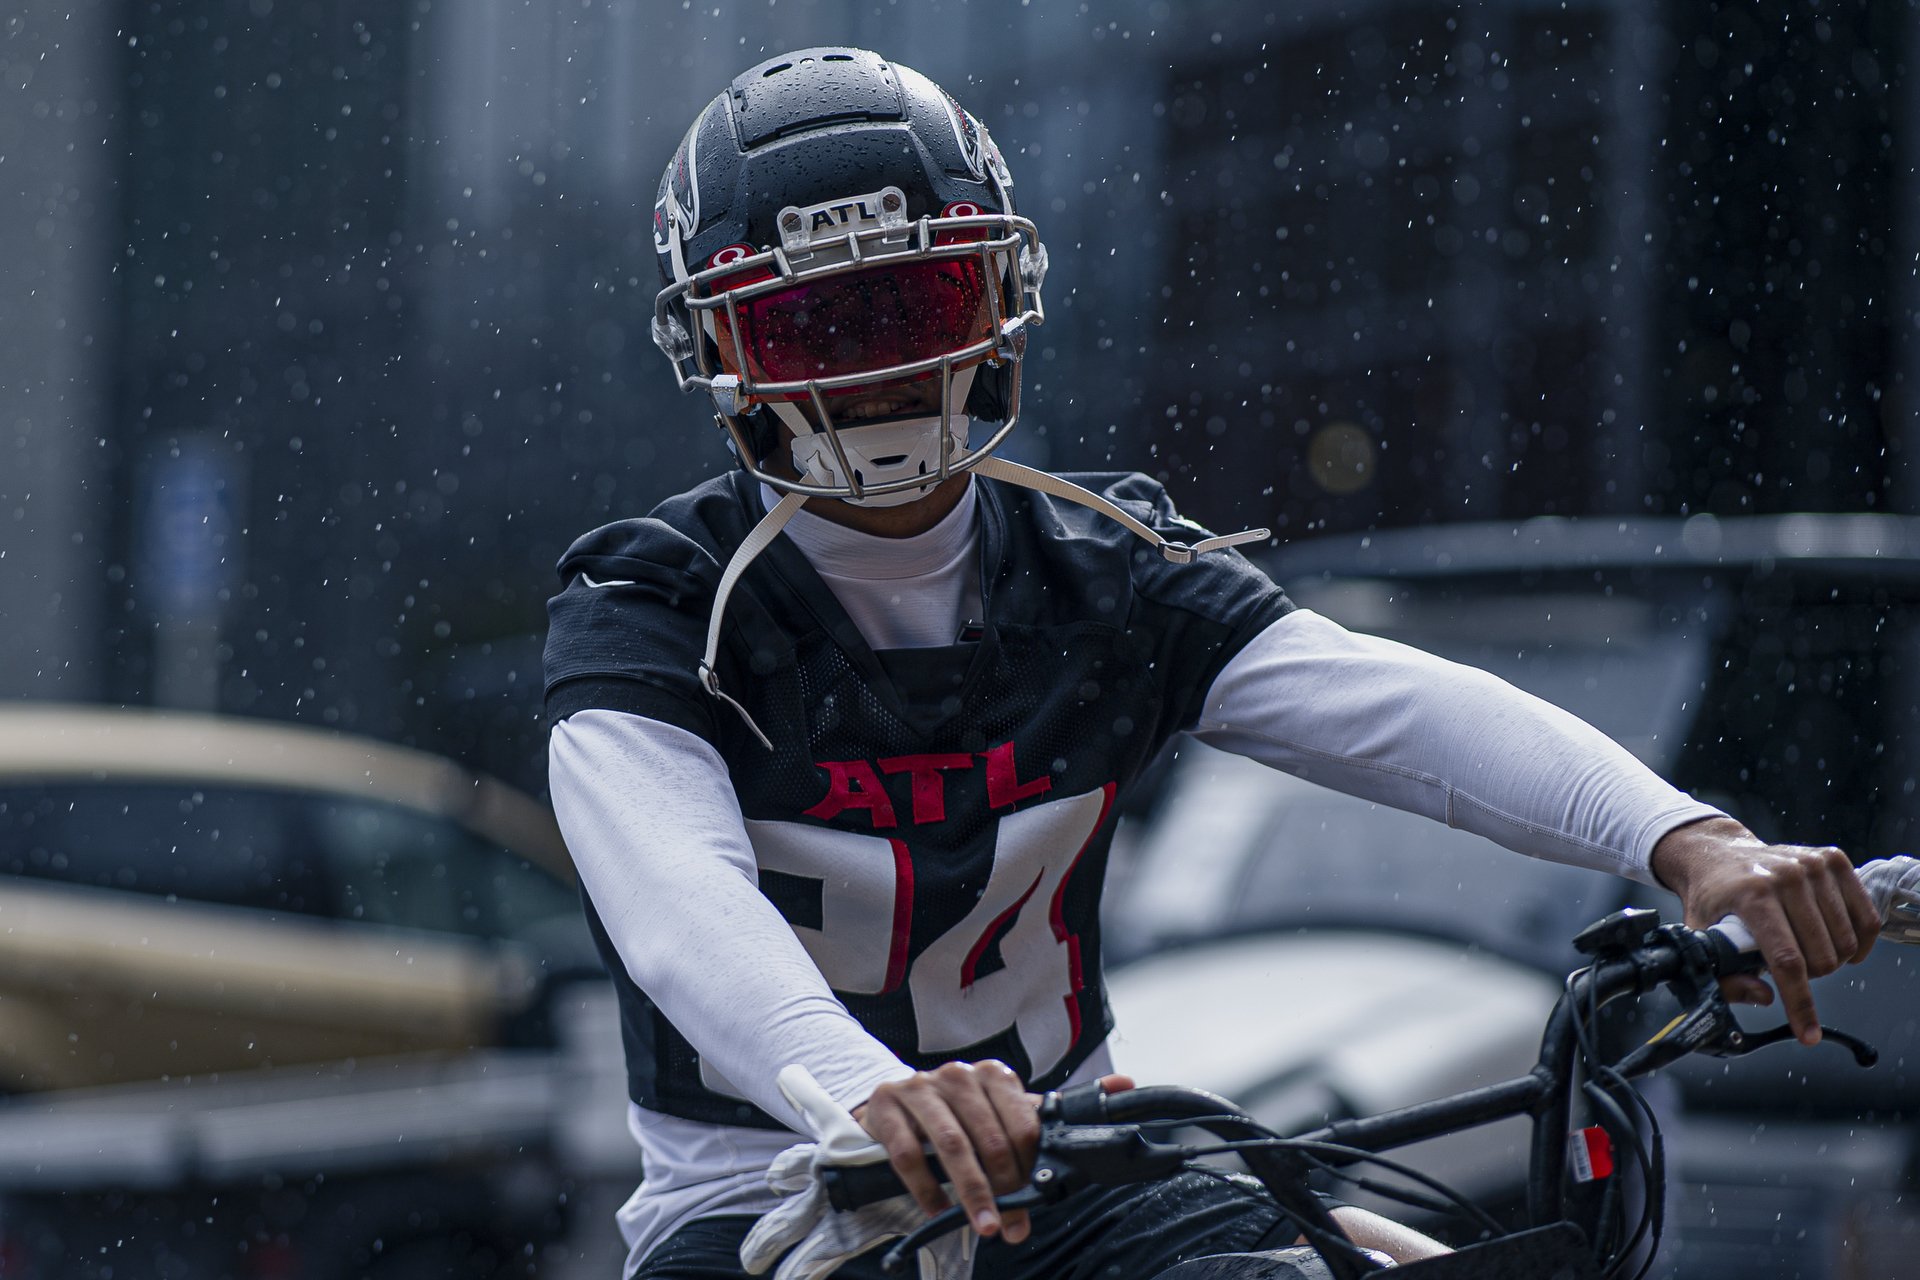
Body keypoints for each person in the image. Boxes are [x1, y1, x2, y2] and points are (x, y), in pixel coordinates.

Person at [542, 46, 1880, 1280]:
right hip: (765, 1201)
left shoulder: (1103, 560)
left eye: (917, 302)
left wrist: (1688, 837)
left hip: (1089, 1173)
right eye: (815, 328)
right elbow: (681, 908)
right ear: (720, 347)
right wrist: (862, 1085)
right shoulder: (649, 602)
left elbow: (1385, 706)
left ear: (998, 292)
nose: (879, 371)